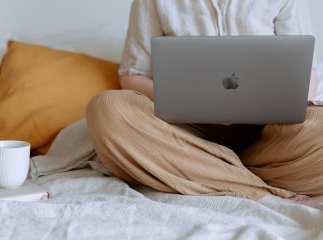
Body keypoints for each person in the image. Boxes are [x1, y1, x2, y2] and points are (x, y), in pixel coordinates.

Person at [86, 0, 323, 206]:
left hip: (268, 137)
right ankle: (258, 192)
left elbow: (305, 71)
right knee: (107, 109)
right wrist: (185, 98)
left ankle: (204, 171)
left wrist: (286, 103)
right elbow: (133, 74)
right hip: (185, 133)